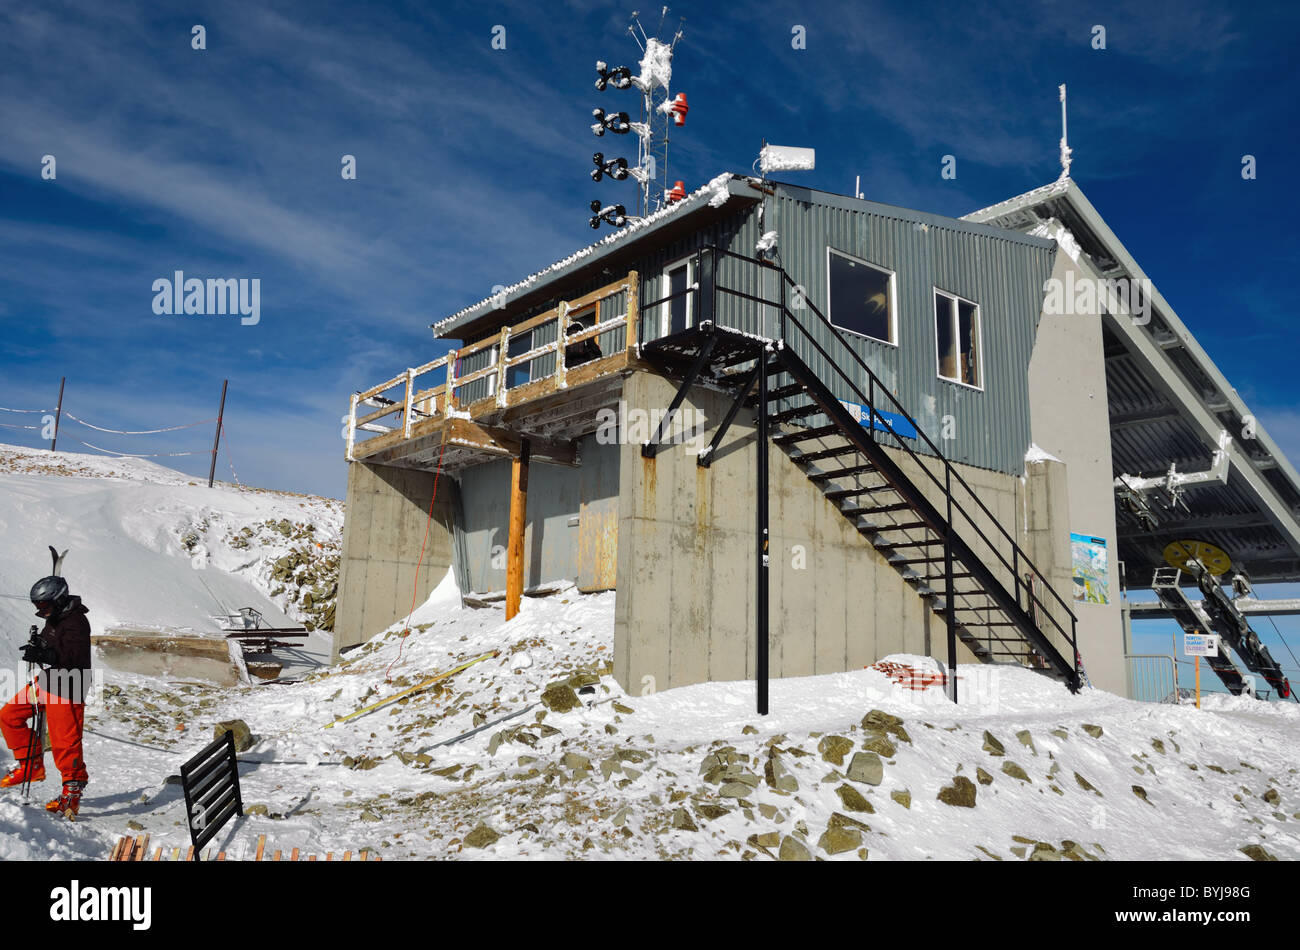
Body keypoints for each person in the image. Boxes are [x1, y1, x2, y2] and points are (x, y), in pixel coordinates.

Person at [0, 575, 91, 816]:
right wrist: (38, 645)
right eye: (38, 606)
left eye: (44, 605)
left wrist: (45, 655)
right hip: (50, 680)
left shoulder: (76, 622)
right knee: (9, 715)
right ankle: (31, 765)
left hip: (69, 684)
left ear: (59, 600)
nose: (41, 610)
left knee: (64, 742)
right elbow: (52, 645)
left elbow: (72, 657)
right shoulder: (55, 618)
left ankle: (71, 793)